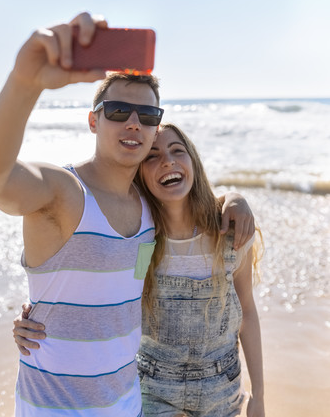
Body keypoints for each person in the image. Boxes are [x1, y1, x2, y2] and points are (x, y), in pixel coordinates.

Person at [0, 12, 255, 417]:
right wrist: (25, 82)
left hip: (130, 406)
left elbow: (185, 200)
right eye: (118, 111)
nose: (134, 124)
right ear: (93, 120)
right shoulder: (63, 193)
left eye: (147, 116)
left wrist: (235, 197)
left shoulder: (147, 210)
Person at [14, 124, 264, 416]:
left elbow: (247, 310)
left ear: (193, 162)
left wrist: (258, 395)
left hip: (223, 388)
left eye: (177, 151)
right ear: (140, 175)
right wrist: (37, 313)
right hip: (153, 389)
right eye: (152, 156)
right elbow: (101, 296)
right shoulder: (141, 240)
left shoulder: (230, 234)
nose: (167, 161)